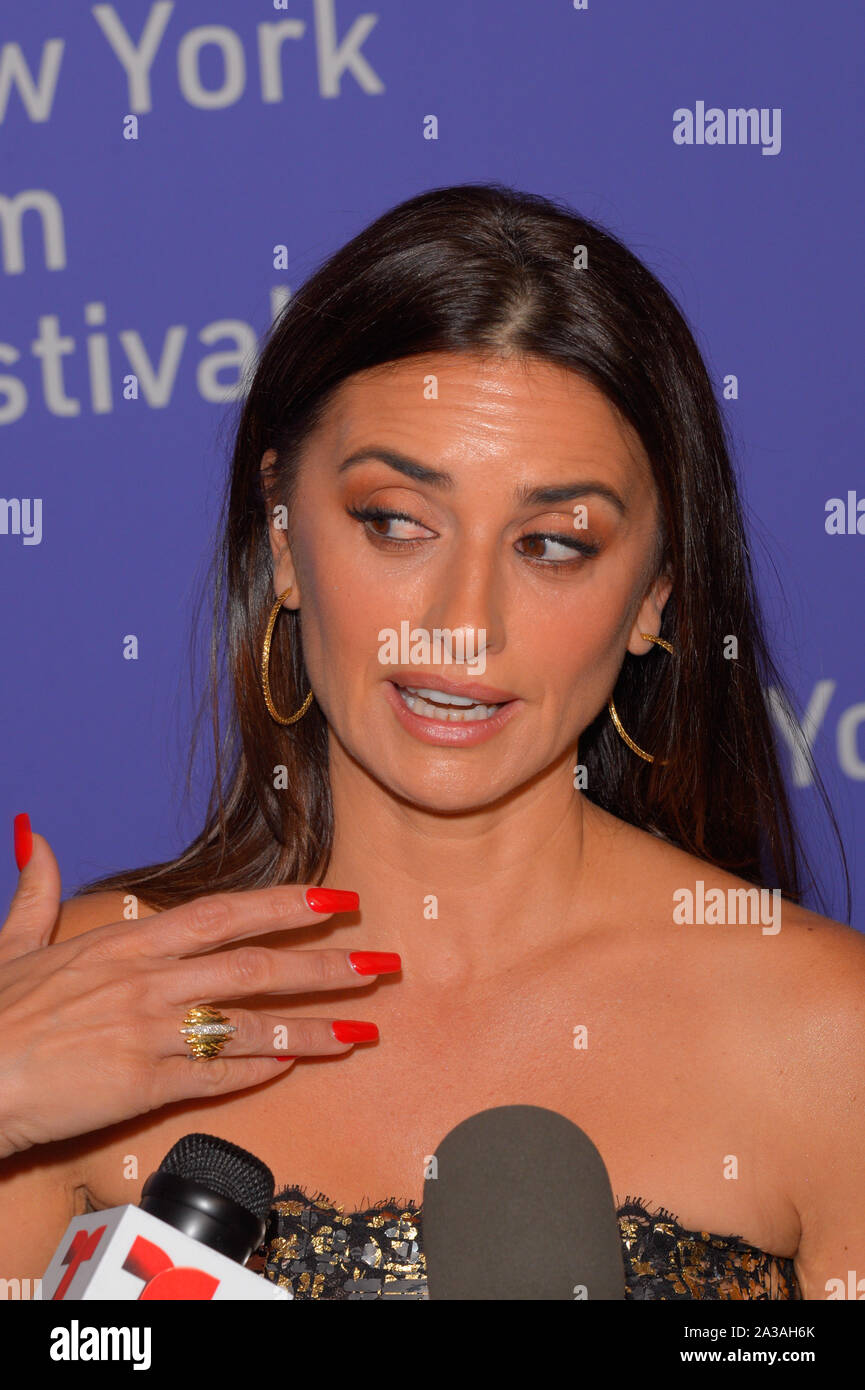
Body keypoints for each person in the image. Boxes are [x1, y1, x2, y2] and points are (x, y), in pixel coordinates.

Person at [2, 183, 862, 1301]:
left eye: (552, 543)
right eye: (396, 520)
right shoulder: (99, 994)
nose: (462, 622)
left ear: (655, 593)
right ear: (284, 535)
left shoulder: (824, 1040)